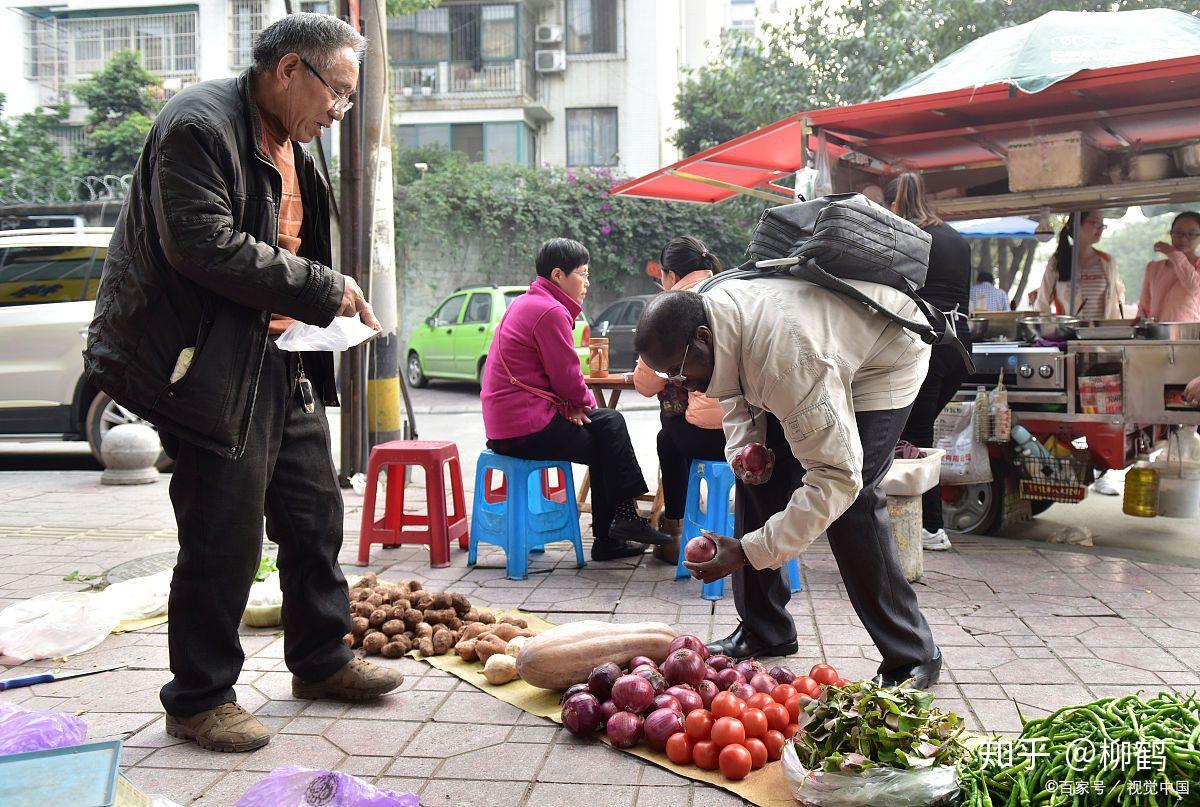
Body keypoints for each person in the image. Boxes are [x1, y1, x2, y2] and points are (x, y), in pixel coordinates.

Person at [83, 15, 402, 753]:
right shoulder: (198, 125)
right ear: (291, 69)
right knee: (224, 533)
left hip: (275, 353)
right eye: (338, 93)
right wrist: (324, 287)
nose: (340, 111)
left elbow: (287, 243)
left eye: (350, 100)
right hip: (202, 363)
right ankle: (198, 697)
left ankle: (321, 658)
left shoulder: (291, 140)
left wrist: (315, 313)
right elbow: (202, 243)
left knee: (314, 509)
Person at [635, 284, 943, 689]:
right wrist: (746, 451)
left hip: (885, 356)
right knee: (757, 472)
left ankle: (912, 652)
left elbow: (835, 478)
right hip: (817, 353)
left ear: (703, 339)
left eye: (678, 370)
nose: (683, 385)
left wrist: (748, 551)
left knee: (853, 500)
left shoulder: (786, 362)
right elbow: (733, 394)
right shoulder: (714, 320)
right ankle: (766, 628)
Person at [481, 238, 671, 561]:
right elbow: (568, 378)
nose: (587, 282)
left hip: (508, 425)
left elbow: (551, 377)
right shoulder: (550, 311)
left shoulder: (527, 302)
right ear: (558, 275)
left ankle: (617, 529)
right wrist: (581, 403)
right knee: (608, 428)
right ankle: (618, 527)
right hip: (525, 428)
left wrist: (573, 404)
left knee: (605, 433)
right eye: (582, 274)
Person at [886, 173, 973, 552]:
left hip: (931, 344)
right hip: (961, 346)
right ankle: (913, 520)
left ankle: (932, 529)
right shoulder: (954, 237)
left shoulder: (909, 237)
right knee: (913, 432)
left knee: (916, 437)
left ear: (893, 205)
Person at [632, 237, 728, 562]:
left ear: (669, 275)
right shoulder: (731, 291)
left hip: (710, 437)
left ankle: (675, 531)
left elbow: (644, 383)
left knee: (669, 433)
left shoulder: (672, 306)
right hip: (757, 433)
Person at [1035, 211, 1125, 320]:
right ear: (1077, 224)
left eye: (1102, 225)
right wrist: (1052, 330)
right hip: (1069, 334)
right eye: (1096, 223)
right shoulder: (1057, 261)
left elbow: (1116, 301)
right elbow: (1042, 304)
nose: (1100, 228)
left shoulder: (1107, 261)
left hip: (1102, 333)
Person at [1136, 211, 1200, 323]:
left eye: (1191, 234)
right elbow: (1144, 306)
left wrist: (1173, 253)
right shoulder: (1154, 267)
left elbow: (1194, 287)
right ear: (1171, 234)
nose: (1184, 239)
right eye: (1179, 233)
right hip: (1157, 335)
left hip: (1189, 336)